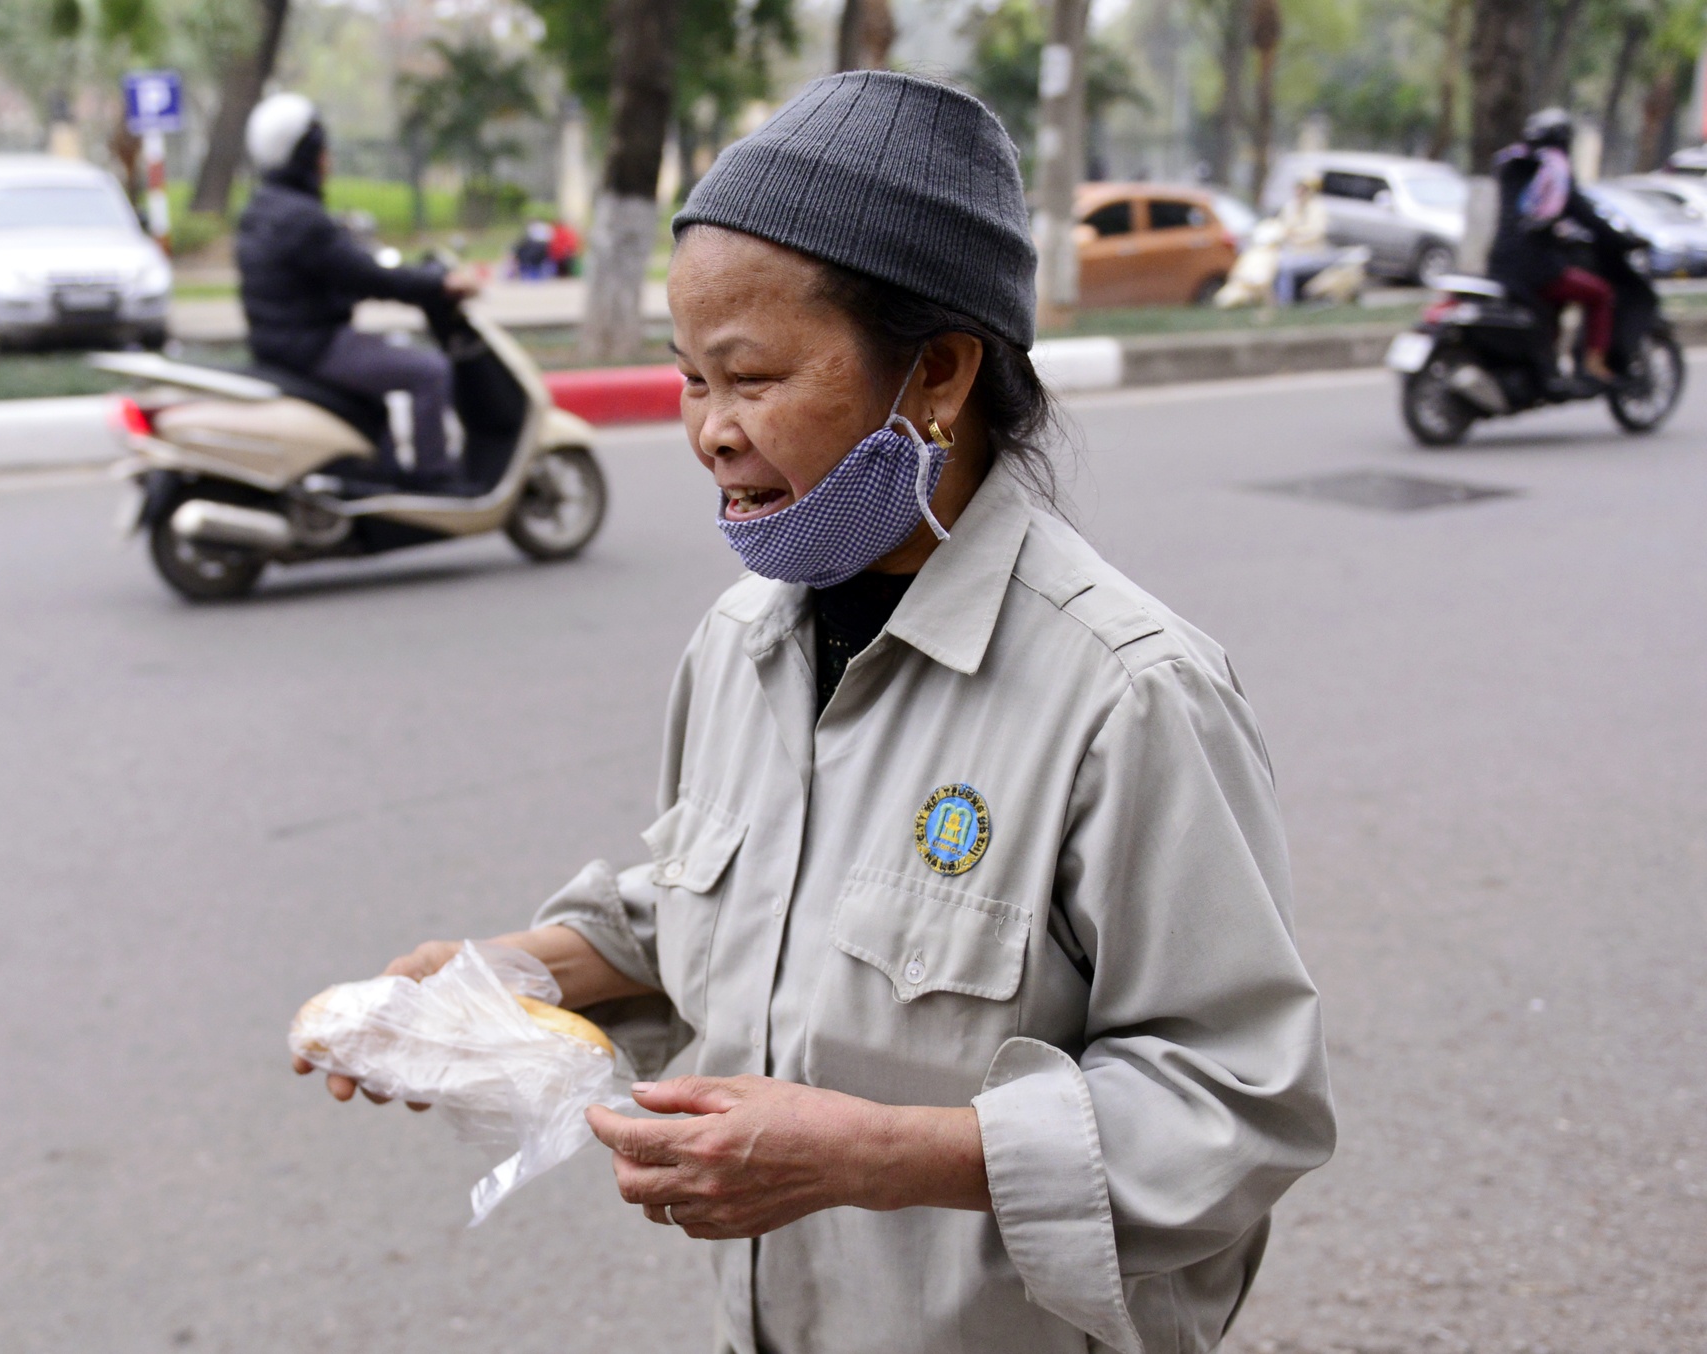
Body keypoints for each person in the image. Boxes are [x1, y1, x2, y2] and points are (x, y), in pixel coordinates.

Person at [294, 72, 1335, 1354]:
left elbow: (1240, 1106)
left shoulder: (1127, 692)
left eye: (751, 377)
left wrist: (877, 1155)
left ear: (940, 372)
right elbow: (703, 906)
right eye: (688, 382)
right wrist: (490, 979)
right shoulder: (739, 642)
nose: (711, 435)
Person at [235, 93, 476, 487]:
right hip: (314, 345)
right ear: (305, 154)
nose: (327, 159)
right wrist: (439, 284)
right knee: (430, 372)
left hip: (281, 343)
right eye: (321, 150)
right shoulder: (301, 219)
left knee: (375, 394)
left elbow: (335, 273)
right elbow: (368, 277)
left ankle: (383, 477)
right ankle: (435, 478)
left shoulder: (264, 208)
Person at [1490, 107, 1617, 384]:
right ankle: (1593, 364)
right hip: (1535, 270)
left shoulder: (1509, 163)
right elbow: (1584, 215)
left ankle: (1549, 362)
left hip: (1497, 265)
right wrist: (1619, 240)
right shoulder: (1554, 170)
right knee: (1601, 293)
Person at [1271, 172, 1337, 306]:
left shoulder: (1317, 208)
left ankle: (1285, 303)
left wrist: (1295, 235)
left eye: (1304, 189)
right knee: (1271, 263)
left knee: (1285, 268)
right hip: (1290, 250)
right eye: (1298, 188)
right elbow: (1282, 226)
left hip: (1312, 253)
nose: (1300, 192)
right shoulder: (1291, 206)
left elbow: (1316, 232)